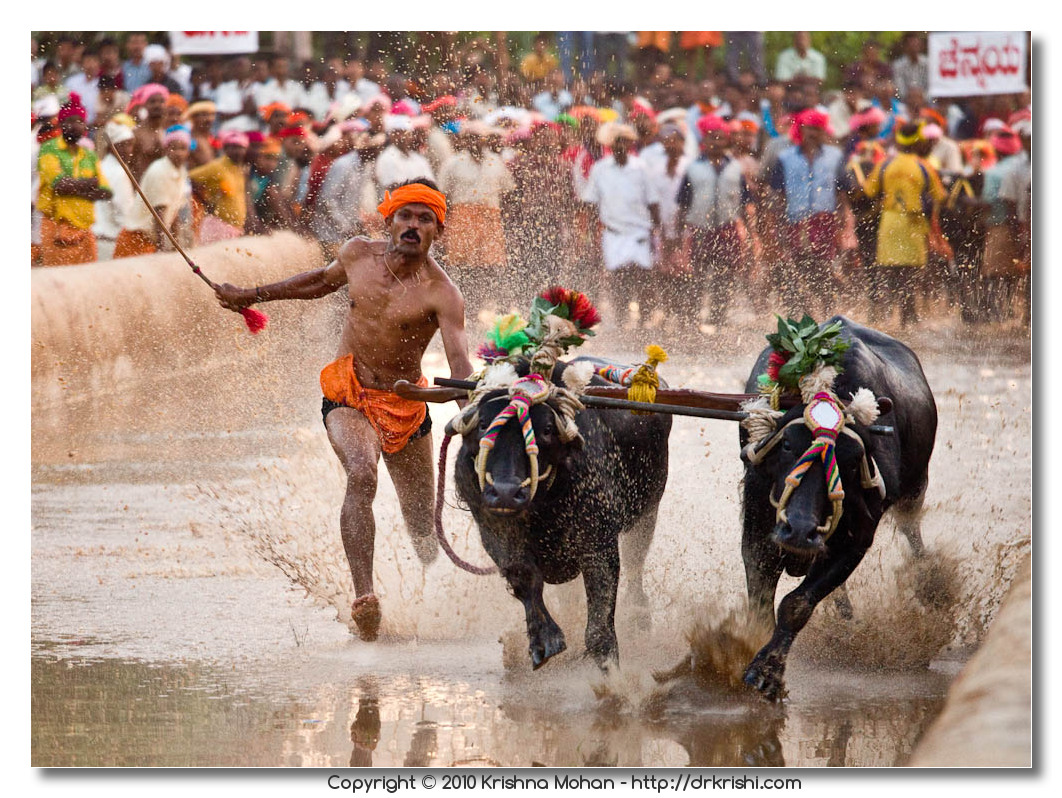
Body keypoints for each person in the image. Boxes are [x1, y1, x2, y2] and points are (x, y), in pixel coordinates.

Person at [212, 178, 473, 642]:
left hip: (407, 404)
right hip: (349, 392)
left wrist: (451, 404)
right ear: (388, 220)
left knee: (420, 525)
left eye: (425, 220)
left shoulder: (443, 293)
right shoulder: (357, 253)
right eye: (406, 216)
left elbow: (460, 377)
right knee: (361, 473)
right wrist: (252, 295)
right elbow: (317, 282)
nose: (413, 226)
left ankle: (440, 602)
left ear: (438, 232)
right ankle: (365, 598)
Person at [863, 121, 946, 327]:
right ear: (918, 143)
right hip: (913, 223)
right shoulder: (924, 165)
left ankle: (890, 317)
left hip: (889, 221)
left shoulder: (884, 163)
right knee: (911, 273)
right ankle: (910, 317)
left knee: (891, 272)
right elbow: (940, 195)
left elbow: (869, 190)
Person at [765, 108, 845, 316]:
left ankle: (828, 311)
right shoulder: (786, 158)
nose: (812, 134)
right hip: (796, 221)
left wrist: (845, 226)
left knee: (824, 267)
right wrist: (776, 227)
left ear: (823, 131)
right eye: (808, 129)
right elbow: (778, 195)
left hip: (825, 222)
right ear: (800, 130)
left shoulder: (835, 157)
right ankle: (805, 311)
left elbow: (843, 194)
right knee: (799, 266)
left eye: (817, 129)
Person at [581, 123, 661, 328]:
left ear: (629, 144)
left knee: (642, 277)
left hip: (639, 231)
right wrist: (589, 235)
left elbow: (653, 201)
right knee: (618, 279)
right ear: (610, 144)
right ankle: (621, 320)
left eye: (624, 142)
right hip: (613, 232)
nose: (620, 146)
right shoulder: (600, 169)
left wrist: (656, 230)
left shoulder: (641, 168)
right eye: (616, 142)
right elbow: (591, 203)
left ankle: (643, 322)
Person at [676, 115, 750, 328]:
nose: (715, 142)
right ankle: (693, 320)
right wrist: (680, 234)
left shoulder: (735, 167)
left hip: (727, 228)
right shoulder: (692, 168)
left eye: (720, 138)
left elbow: (745, 203)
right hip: (700, 228)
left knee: (725, 276)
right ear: (704, 142)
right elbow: (683, 203)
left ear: (726, 140)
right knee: (697, 276)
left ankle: (718, 318)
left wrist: (750, 233)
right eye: (711, 138)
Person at [36, 93, 112, 266]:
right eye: (70, 121)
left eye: (80, 121)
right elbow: (59, 185)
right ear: (61, 123)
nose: (75, 126)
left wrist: (74, 187)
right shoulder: (49, 149)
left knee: (89, 283)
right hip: (56, 228)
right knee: (58, 285)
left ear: (85, 125)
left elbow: (105, 192)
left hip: (85, 231)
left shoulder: (89, 154)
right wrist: (89, 184)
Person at [114, 128, 191, 258]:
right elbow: (158, 212)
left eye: (182, 148)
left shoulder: (181, 171)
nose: (178, 153)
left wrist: (175, 246)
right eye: (174, 148)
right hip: (136, 239)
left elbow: (174, 212)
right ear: (166, 150)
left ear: (188, 152)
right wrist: (160, 250)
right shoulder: (159, 171)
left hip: (151, 240)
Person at [189, 130, 249, 244]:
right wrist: (205, 201)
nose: (237, 151)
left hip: (235, 227)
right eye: (233, 147)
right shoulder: (217, 166)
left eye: (240, 147)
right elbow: (190, 177)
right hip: (218, 225)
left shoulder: (240, 169)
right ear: (225, 149)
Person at [92, 120, 137, 261]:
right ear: (113, 147)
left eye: (131, 145)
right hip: (110, 241)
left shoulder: (101, 165)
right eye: (125, 145)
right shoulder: (119, 172)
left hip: (97, 239)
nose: (130, 150)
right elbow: (124, 213)